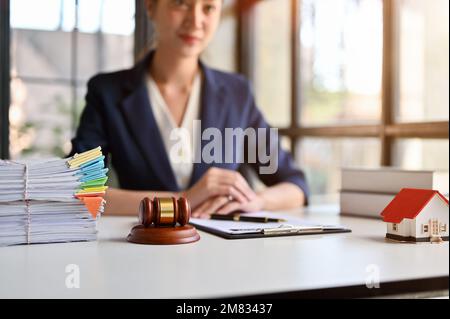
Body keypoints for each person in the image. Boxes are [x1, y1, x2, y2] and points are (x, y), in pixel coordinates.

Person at [70, 0, 309, 218]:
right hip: (142, 250)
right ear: (150, 7)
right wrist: (181, 202)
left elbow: (295, 184)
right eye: (181, 3)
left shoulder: (237, 93)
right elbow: (79, 188)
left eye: (208, 8)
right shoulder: (108, 92)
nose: (195, 21)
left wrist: (256, 200)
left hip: (222, 253)